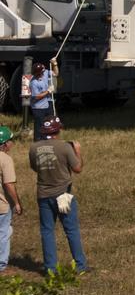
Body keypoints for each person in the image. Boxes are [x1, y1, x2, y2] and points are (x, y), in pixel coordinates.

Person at [29, 118, 87, 274]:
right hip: (63, 194)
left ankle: (50, 268)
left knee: (47, 231)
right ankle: (80, 265)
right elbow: (78, 169)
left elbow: (35, 167)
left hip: (43, 194)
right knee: (71, 230)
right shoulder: (64, 147)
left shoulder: (33, 148)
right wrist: (77, 151)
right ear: (58, 130)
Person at [0, 127, 21, 273]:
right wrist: (17, 203)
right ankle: (1, 264)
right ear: (5, 143)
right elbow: (8, 184)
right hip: (2, 205)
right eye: (11, 140)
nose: (12, 143)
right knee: (3, 232)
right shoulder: (5, 159)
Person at [28, 62, 54, 139]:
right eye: (41, 73)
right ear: (37, 73)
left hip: (46, 105)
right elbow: (37, 97)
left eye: (43, 72)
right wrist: (48, 91)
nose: (43, 74)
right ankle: (38, 141)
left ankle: (47, 139)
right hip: (38, 108)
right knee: (39, 126)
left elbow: (56, 73)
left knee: (48, 124)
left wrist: (55, 64)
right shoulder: (33, 83)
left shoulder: (44, 74)